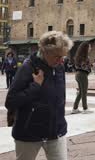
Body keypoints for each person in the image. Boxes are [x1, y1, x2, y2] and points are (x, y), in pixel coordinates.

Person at [5, 31, 73, 160]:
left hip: (56, 131)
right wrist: (35, 86)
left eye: (63, 56)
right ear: (45, 52)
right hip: (29, 133)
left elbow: (60, 97)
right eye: (57, 56)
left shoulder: (59, 67)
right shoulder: (28, 67)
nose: (60, 60)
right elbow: (11, 101)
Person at [71, 42, 93, 114]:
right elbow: (85, 67)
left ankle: (75, 108)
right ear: (85, 48)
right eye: (89, 47)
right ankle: (85, 108)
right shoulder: (85, 57)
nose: (90, 48)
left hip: (77, 74)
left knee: (80, 92)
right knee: (84, 92)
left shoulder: (78, 56)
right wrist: (89, 68)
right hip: (83, 75)